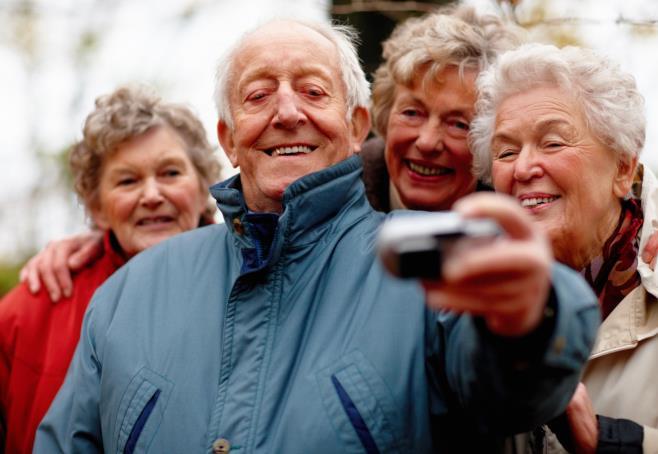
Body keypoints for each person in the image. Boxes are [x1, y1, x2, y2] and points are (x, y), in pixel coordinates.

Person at [32, 19, 599, 453]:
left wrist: (535, 319)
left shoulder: (432, 263)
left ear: (356, 128)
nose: (286, 111)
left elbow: (510, 388)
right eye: (258, 95)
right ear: (228, 139)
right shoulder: (127, 294)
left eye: (312, 91)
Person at [0, 85, 220, 454]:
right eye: (127, 181)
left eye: (169, 173)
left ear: (203, 190)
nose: (151, 195)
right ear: (98, 208)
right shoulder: (32, 310)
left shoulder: (253, 284)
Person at [470, 43, 658, 453]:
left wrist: (611, 442)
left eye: (553, 143)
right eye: (506, 151)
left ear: (623, 167)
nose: (522, 168)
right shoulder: (472, 298)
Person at [362, 4, 522, 212]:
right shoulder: (336, 197)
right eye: (412, 113)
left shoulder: (519, 213)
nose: (427, 143)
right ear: (386, 114)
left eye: (458, 124)